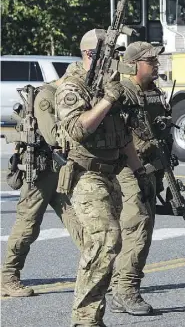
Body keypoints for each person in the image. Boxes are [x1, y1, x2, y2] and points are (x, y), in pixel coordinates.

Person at [55, 29, 149, 327]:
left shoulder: (111, 85)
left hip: (112, 175)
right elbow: (78, 129)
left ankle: (92, 317)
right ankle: (85, 320)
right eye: (113, 54)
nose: (120, 61)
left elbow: (123, 137)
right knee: (106, 238)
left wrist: (139, 171)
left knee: (107, 245)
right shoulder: (71, 86)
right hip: (84, 175)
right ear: (92, 55)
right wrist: (107, 100)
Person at [1, 79, 84, 297]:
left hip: (59, 172)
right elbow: (52, 136)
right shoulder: (47, 97)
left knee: (79, 220)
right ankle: (9, 277)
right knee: (27, 226)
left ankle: (97, 271)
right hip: (41, 173)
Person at [108, 41, 167, 316]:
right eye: (150, 62)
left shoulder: (152, 92)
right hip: (128, 169)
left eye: (156, 61)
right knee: (137, 227)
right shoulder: (123, 93)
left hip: (151, 167)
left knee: (142, 228)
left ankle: (120, 287)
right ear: (133, 65)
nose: (156, 66)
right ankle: (126, 291)